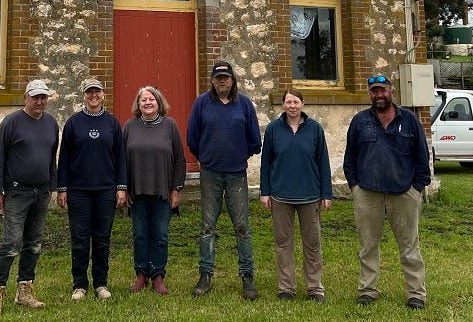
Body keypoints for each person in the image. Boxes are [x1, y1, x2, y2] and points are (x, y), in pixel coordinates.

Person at [342, 74, 431, 310]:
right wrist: (355, 186)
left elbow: (422, 156)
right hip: (368, 193)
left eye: (382, 90)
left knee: (409, 246)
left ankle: (416, 294)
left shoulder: (409, 120)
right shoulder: (360, 121)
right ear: (370, 94)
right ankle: (367, 290)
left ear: (391, 91)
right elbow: (350, 156)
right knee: (368, 245)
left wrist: (417, 188)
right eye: (374, 91)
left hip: (403, 193)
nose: (378, 94)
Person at [186, 60, 262, 300]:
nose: (222, 81)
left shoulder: (245, 105)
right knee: (208, 227)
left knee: (242, 227)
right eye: (218, 78)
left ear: (232, 80)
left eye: (226, 78)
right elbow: (192, 139)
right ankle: (205, 275)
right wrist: (207, 158)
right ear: (212, 81)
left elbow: (254, 141)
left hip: (236, 175)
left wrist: (238, 156)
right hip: (210, 174)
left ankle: (247, 277)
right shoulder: (201, 104)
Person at [0, 79, 60, 316]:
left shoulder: (50, 123)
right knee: (11, 243)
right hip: (16, 192)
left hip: (40, 193)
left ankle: (24, 290)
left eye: (43, 97)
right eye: (35, 97)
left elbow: (51, 158)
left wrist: (52, 187)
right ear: (25, 98)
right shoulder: (12, 122)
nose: (40, 102)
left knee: (34, 244)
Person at [57, 78, 128, 302]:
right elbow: (65, 157)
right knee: (79, 239)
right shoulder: (73, 123)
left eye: (97, 92)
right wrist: (62, 188)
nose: (93, 96)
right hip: (78, 190)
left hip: (106, 190)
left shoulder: (113, 124)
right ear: (84, 95)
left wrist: (121, 187)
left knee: (102, 238)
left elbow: (121, 158)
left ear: (103, 95)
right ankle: (79, 284)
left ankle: (101, 283)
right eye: (89, 93)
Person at [260, 89, 333, 302]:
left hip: (310, 195)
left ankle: (315, 288)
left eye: (296, 102)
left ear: (302, 103)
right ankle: (286, 288)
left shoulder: (315, 129)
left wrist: (326, 193)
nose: (292, 106)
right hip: (281, 195)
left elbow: (323, 163)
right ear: (283, 105)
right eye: (288, 102)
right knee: (283, 243)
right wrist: (265, 192)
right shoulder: (274, 129)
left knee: (312, 243)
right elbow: (266, 163)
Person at [123, 85, 186, 295]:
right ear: (138, 104)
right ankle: (141, 274)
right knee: (140, 235)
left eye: (151, 100)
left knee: (160, 235)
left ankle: (158, 275)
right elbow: (121, 161)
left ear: (159, 103)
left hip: (163, 191)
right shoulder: (129, 127)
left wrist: (176, 189)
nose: (148, 103)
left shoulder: (170, 126)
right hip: (137, 191)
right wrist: (124, 188)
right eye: (143, 100)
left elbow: (179, 160)